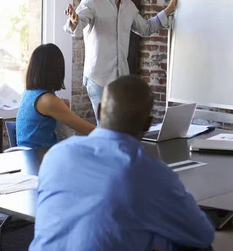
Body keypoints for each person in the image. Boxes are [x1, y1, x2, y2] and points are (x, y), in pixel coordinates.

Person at [30, 75, 215, 251]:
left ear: (101, 110)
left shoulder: (57, 154)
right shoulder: (149, 174)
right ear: (148, 124)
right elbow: (202, 235)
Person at [64, 0, 179, 124]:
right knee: (105, 126)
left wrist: (168, 10)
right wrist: (74, 22)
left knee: (121, 125)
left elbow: (146, 29)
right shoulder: (92, 1)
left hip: (121, 79)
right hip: (98, 78)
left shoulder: (129, 7)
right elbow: (78, 24)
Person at [17, 43, 95, 148]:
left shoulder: (29, 92)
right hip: (38, 156)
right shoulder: (49, 101)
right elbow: (87, 129)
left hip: (26, 154)